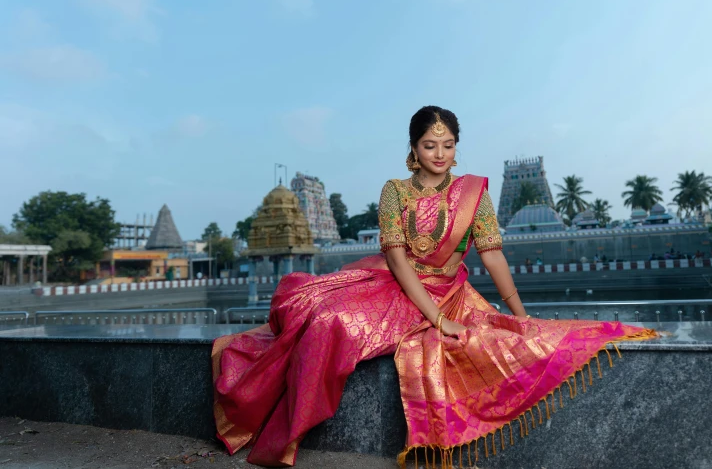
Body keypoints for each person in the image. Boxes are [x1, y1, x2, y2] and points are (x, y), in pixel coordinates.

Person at [211, 106, 658, 468]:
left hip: (450, 290)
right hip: (395, 284)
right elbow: (398, 259)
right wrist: (436, 319)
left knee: (346, 326)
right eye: (430, 144)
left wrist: (521, 314)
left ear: (456, 147)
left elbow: (493, 254)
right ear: (413, 148)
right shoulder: (394, 192)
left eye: (447, 145)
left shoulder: (474, 194)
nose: (439, 153)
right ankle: (278, 432)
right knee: (325, 318)